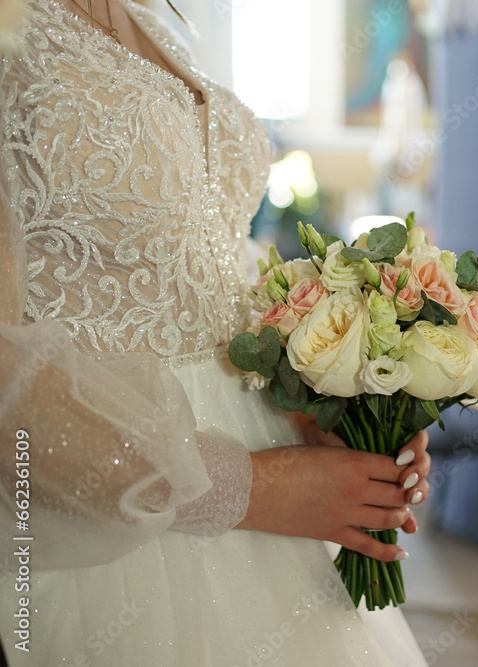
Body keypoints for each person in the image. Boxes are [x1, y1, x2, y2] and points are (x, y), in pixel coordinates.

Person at [0, 0, 431, 664]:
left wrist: (328, 399)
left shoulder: (158, 17)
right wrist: (251, 488)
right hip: (112, 516)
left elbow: (207, 272)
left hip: (264, 481)